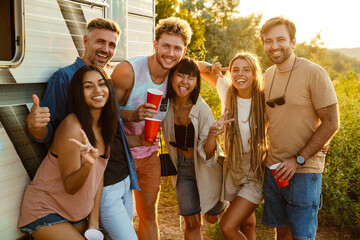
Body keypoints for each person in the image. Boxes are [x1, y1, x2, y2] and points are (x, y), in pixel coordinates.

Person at [25, 18, 142, 240]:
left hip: (109, 183)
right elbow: (48, 132)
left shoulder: (106, 80)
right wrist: (34, 126)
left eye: (112, 45)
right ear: (86, 40)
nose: (106, 49)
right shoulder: (65, 78)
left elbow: (112, 131)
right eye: (100, 41)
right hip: (75, 191)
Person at [111, 17, 193, 240]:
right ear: (155, 44)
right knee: (118, 217)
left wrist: (211, 70)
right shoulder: (128, 71)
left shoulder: (175, 78)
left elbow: (195, 71)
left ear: (183, 51)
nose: (170, 53)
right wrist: (131, 115)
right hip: (119, 154)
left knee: (148, 216)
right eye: (166, 46)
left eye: (177, 48)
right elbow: (101, 113)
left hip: (149, 156)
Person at [259, 16, 339, 240]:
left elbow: (331, 122)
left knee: (302, 236)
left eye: (280, 39)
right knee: (281, 232)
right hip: (274, 168)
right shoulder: (268, 74)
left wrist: (299, 159)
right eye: (268, 41)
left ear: (293, 41)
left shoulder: (314, 72)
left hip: (304, 172)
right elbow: (269, 119)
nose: (274, 46)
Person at [18, 65, 118, 239]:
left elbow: (98, 177)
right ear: (78, 94)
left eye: (102, 84)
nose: (97, 90)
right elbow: (71, 186)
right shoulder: (73, 127)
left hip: (75, 215)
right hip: (44, 210)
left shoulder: (105, 125)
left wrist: (94, 224)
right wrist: (88, 165)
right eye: (88, 86)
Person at [161, 57, 232, 240]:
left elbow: (208, 154)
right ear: (171, 77)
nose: (185, 82)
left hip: (205, 167)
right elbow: (192, 63)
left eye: (191, 78)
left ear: (197, 81)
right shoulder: (165, 103)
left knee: (211, 218)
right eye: (181, 76)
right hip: (183, 169)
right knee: (192, 223)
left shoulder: (202, 109)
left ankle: (223, 206)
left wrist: (212, 135)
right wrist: (208, 66)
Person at [199, 52, 267, 240]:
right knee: (247, 223)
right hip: (232, 166)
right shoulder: (226, 88)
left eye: (246, 70)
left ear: (255, 74)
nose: (240, 74)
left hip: (254, 169)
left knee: (228, 227)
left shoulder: (264, 98)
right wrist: (211, 67)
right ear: (229, 72)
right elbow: (195, 66)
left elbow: (290, 116)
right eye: (235, 70)